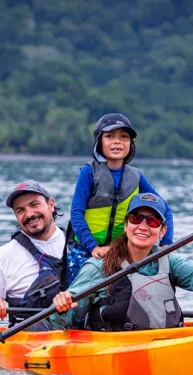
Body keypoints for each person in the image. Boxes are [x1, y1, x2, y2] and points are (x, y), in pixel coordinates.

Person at [51, 193, 193, 331]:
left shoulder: (169, 261)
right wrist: (62, 306)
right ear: (126, 225)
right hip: (116, 351)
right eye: (136, 218)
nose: (143, 226)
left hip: (163, 345)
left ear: (162, 231)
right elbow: (64, 321)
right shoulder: (98, 267)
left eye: (153, 221)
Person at [67, 113, 174, 286]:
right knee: (78, 296)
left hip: (119, 253)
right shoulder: (88, 172)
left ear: (130, 144)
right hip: (84, 249)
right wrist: (93, 247)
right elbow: (76, 213)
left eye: (124, 137)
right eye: (109, 136)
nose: (117, 142)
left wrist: (166, 244)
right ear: (99, 142)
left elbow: (165, 209)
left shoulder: (136, 177)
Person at [0, 180, 66, 331]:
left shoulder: (82, 245)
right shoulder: (4, 256)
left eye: (34, 205)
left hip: (86, 336)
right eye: (20, 210)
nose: (29, 214)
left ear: (51, 205)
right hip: (30, 338)